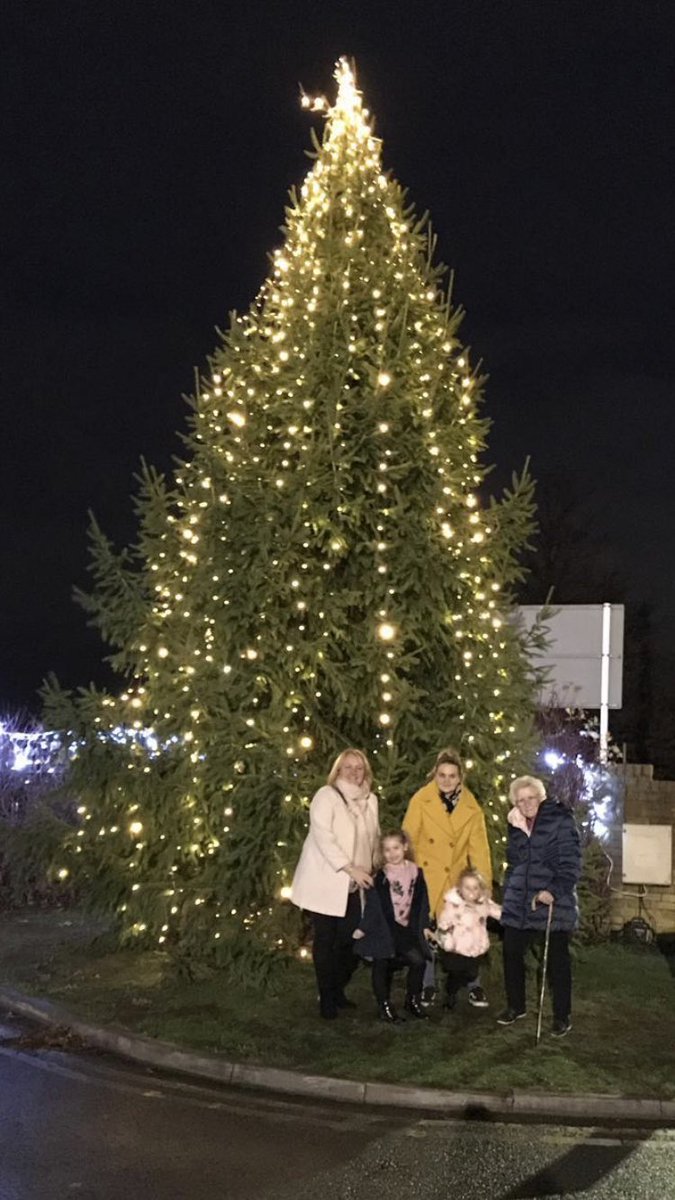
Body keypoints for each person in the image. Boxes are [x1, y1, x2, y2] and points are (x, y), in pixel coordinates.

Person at [291, 748, 379, 1019]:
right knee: (326, 940)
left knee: (351, 941)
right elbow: (323, 837)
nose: (354, 773)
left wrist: (375, 865)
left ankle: (335, 988)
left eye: (359, 768)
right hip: (325, 882)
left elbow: (373, 837)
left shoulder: (370, 800)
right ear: (338, 771)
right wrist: (349, 867)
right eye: (348, 767)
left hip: (355, 884)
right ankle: (327, 999)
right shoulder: (326, 796)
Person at [403, 748, 493, 1007]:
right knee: (429, 932)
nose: (446, 780)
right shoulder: (421, 800)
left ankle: (473, 985)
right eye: (442, 775)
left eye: (452, 775)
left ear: (460, 777)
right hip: (427, 876)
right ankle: (428, 985)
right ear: (435, 774)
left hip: (456, 880)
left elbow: (479, 848)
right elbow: (409, 838)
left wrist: (482, 884)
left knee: (468, 931)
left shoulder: (471, 808)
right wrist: (409, 876)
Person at [497, 774, 582, 1038]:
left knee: (557, 961)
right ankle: (516, 1006)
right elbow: (514, 862)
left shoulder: (560, 820)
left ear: (540, 797)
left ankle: (561, 1016)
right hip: (520, 900)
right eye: (520, 800)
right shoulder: (515, 824)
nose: (526, 804)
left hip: (552, 899)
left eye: (530, 798)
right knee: (511, 952)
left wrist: (553, 891)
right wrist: (509, 888)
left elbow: (571, 863)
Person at [353, 830, 433, 1023]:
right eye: (387, 850)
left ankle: (412, 1000)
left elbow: (423, 902)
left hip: (407, 927)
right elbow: (372, 906)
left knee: (419, 961)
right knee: (381, 964)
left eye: (396, 848)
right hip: (385, 927)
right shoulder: (380, 877)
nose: (392, 853)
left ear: (405, 847)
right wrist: (363, 928)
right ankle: (384, 1005)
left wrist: (424, 925)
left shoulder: (416, 872)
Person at [436, 867, 502, 1011]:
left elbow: (497, 911)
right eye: (467, 888)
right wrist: (444, 927)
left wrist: (510, 915)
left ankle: (458, 986)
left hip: (475, 947)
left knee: (471, 973)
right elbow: (445, 918)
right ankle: (450, 995)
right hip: (457, 947)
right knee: (456, 972)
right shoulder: (454, 904)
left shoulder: (484, 903)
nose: (471, 891)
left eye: (475, 888)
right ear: (460, 888)